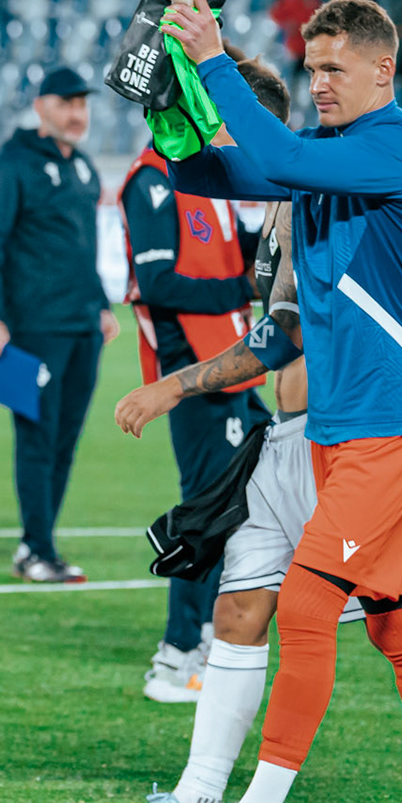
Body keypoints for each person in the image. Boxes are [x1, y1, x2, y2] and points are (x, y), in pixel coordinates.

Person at [96, 60, 402, 803]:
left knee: (397, 621)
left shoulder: (326, 183)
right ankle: (199, 797)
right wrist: (170, 125)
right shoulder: (288, 198)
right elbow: (257, 279)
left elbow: (290, 330)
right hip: (289, 443)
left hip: (352, 441)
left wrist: (174, 387)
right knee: (242, 608)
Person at [120, 86, 266, 704]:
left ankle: (206, 638)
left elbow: (241, 260)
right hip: (192, 370)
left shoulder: (208, 177)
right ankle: (177, 656)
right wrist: (243, 288)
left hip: (233, 364)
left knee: (248, 503)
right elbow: (155, 281)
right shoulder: (152, 180)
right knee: (208, 510)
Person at [0, 67, 121, 584]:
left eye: (82, 104)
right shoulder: (12, 167)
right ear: (41, 108)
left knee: (64, 441)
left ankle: (40, 542)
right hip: (32, 329)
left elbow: (82, 248)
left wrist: (100, 304)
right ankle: (35, 549)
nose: (77, 114)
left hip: (81, 329)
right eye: (66, 103)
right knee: (37, 438)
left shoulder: (82, 168)